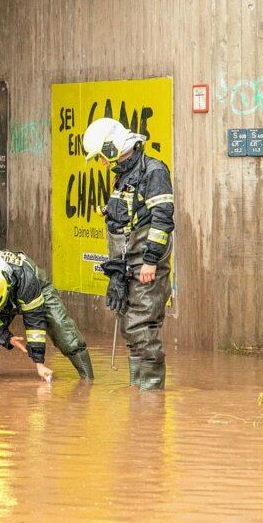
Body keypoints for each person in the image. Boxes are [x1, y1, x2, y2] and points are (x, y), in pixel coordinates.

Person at [83, 118, 175, 391]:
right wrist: (116, 272)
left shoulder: (153, 172)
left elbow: (162, 220)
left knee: (141, 326)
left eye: (101, 157)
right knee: (129, 325)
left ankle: (151, 394)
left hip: (145, 264)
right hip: (126, 265)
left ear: (112, 149)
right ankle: (139, 393)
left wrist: (150, 261)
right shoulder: (124, 175)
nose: (101, 163)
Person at [0, 249, 95, 382]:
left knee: (63, 330)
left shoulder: (26, 279)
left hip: (37, 290)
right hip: (1, 299)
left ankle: (88, 380)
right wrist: (6, 337)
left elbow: (34, 321)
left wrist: (39, 363)